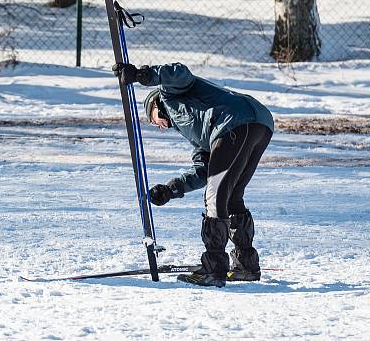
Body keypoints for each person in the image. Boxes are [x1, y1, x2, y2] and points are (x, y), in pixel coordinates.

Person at [114, 62, 274, 287]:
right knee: (232, 196)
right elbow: (204, 169)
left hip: (235, 121)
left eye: (152, 119)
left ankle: (213, 269)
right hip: (258, 122)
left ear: (155, 106)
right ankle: (245, 266)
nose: (157, 125)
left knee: (215, 197)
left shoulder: (168, 95)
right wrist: (171, 189)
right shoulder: (196, 129)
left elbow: (181, 73)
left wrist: (142, 75)